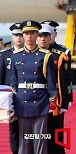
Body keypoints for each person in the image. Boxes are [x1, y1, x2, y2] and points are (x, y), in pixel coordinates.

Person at [10, 20, 57, 154]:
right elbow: (13, 82)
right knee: (24, 140)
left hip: (40, 100)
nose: (29, 37)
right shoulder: (15, 56)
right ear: (23, 35)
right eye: (26, 33)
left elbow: (51, 83)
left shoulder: (45, 56)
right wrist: (11, 101)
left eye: (32, 33)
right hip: (22, 100)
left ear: (37, 35)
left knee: (40, 138)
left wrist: (53, 100)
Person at [41, 20, 73, 154]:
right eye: (41, 34)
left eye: (49, 33)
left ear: (53, 34)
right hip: (38, 98)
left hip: (56, 99)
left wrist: (65, 100)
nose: (44, 37)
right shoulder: (36, 51)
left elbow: (66, 78)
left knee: (56, 132)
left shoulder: (61, 52)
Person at [0, 22, 24, 154]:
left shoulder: (31, 53)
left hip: (27, 97)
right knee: (13, 129)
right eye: (16, 35)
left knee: (28, 127)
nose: (19, 38)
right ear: (12, 37)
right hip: (11, 98)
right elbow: (1, 79)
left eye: (21, 35)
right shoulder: (5, 55)